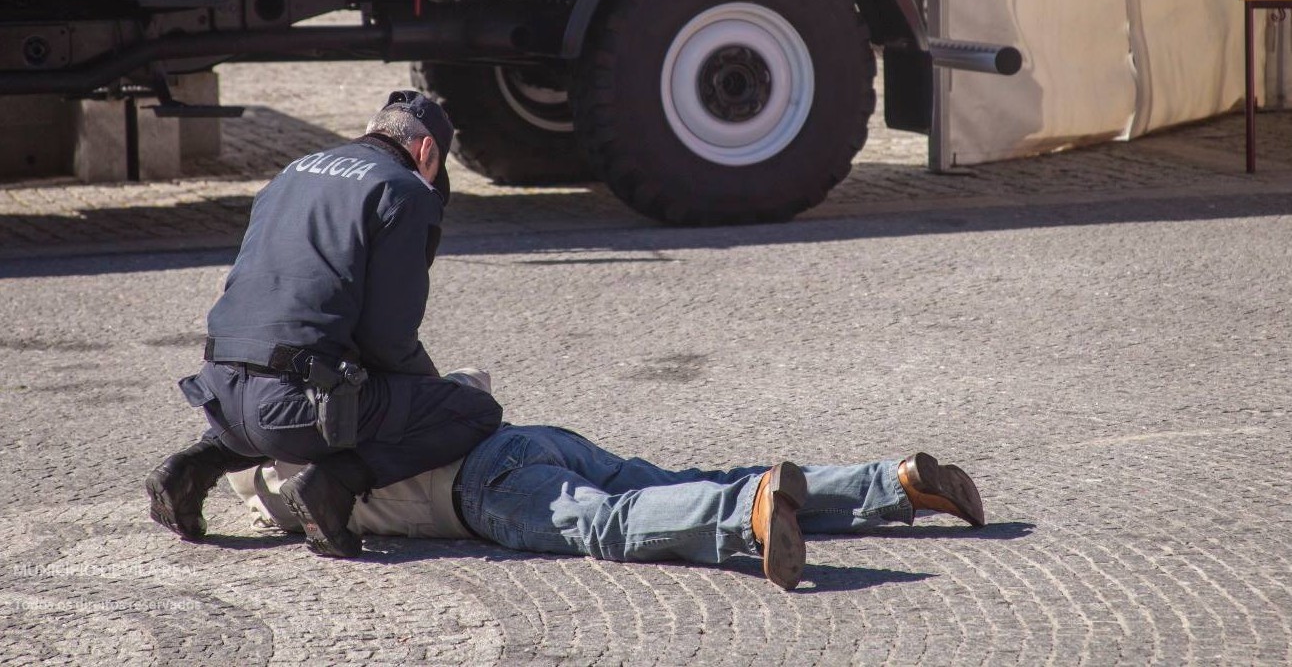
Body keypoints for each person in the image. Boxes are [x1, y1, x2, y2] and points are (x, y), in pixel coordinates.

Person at [146, 91, 503, 559]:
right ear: (428, 152)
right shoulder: (404, 191)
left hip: (219, 396)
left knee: (296, 383)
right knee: (473, 411)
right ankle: (332, 486)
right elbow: (388, 339)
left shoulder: (291, 172)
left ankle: (195, 464)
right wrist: (424, 401)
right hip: (294, 411)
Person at [226, 370, 984, 590]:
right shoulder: (345, 405)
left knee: (612, 523)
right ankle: (896, 481)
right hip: (525, 439)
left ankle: (747, 514)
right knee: (663, 480)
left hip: (485, 494)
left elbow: (276, 507)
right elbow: (465, 380)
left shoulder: (285, 479)